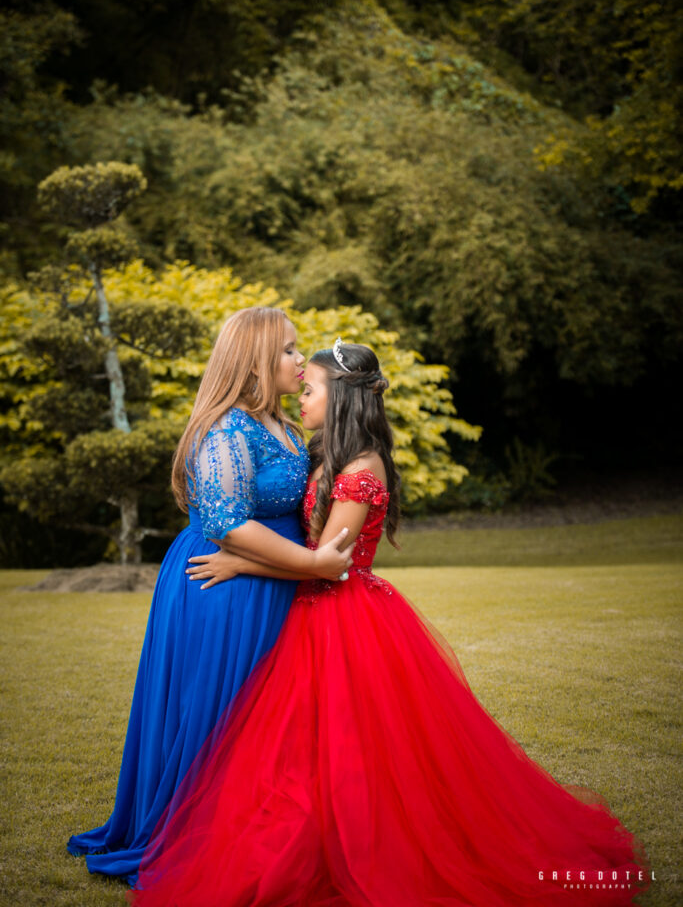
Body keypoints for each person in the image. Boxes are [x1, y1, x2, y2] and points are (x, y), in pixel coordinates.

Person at [131, 340, 651, 907]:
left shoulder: (360, 468)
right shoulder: (330, 456)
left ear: (342, 399)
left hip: (343, 616)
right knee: (308, 748)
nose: (301, 396)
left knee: (359, 745)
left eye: (311, 390)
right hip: (311, 613)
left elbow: (330, 564)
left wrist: (241, 559)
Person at [67, 308, 351, 885]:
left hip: (267, 582)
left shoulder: (282, 426)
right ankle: (202, 832)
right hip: (225, 589)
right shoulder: (225, 430)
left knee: (266, 721)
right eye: (290, 351)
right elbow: (226, 522)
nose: (301, 361)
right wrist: (315, 564)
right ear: (254, 359)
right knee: (223, 714)